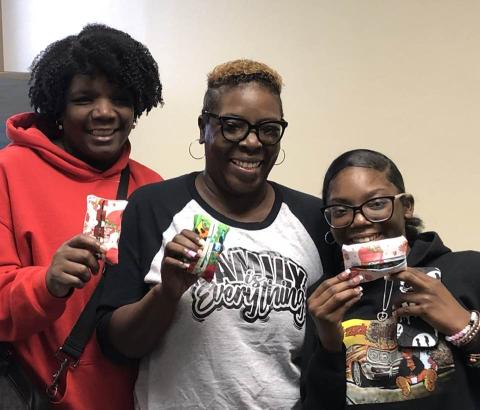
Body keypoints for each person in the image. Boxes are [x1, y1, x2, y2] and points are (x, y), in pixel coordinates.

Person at [96, 59, 336, 409]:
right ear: (203, 127)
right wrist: (167, 294)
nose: (253, 142)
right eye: (233, 126)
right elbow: (115, 344)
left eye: (268, 129)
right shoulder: (153, 206)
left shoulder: (313, 219)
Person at [0, 24, 163, 410]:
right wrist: (46, 283)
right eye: (84, 98)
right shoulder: (9, 171)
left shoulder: (152, 187)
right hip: (36, 395)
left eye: (120, 99)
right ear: (58, 107)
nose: (104, 112)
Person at [302, 149, 480, 409]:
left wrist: (465, 328)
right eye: (341, 210)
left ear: (406, 206)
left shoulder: (467, 270)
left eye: (376, 204)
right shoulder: (325, 299)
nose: (360, 221)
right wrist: (329, 345)